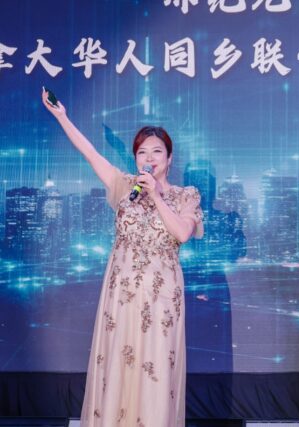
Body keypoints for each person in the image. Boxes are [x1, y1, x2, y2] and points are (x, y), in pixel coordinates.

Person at [42, 89, 204, 427]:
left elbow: (182, 233)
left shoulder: (185, 195)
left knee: (156, 369)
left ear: (169, 158)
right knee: (119, 365)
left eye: (157, 151)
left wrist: (157, 195)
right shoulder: (124, 186)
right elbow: (90, 153)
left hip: (161, 297)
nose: (149, 157)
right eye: (142, 152)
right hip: (122, 294)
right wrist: (62, 117)